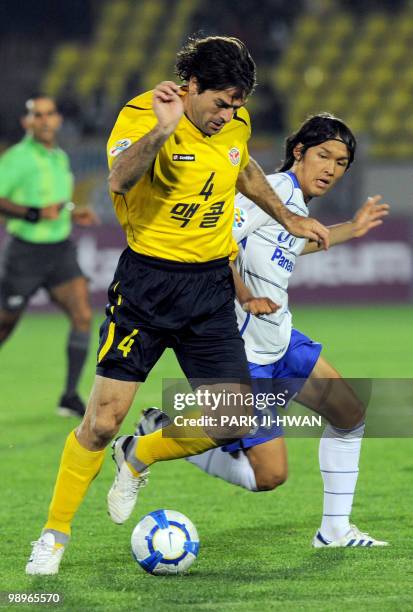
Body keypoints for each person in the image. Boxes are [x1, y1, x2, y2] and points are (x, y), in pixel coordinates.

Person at [26, 36, 330, 575]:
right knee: (100, 420)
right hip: (148, 285)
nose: (229, 115)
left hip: (210, 288)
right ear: (190, 87)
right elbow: (118, 179)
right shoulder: (142, 114)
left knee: (231, 418)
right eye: (220, 103)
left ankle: (139, 454)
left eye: (237, 105)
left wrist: (289, 218)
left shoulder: (233, 122)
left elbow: (243, 169)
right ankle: (54, 534)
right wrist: (164, 130)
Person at [140, 114, 390, 547]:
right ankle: (166, 436)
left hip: (281, 340)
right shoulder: (271, 190)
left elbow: (293, 243)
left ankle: (334, 531)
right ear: (299, 152)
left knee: (350, 416)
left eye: (341, 162)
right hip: (244, 355)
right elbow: (218, 244)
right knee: (270, 476)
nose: (331, 168)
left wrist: (353, 228)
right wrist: (244, 296)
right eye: (323, 156)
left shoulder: (295, 202)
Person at [0, 95, 98, 417]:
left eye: (49, 114)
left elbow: (54, 203)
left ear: (57, 120)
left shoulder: (58, 157)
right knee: (4, 327)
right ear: (26, 122)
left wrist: (72, 211)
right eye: (36, 115)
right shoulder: (16, 158)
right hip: (25, 253)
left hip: (59, 250)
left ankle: (69, 396)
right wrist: (32, 213)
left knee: (83, 316)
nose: (44, 120)